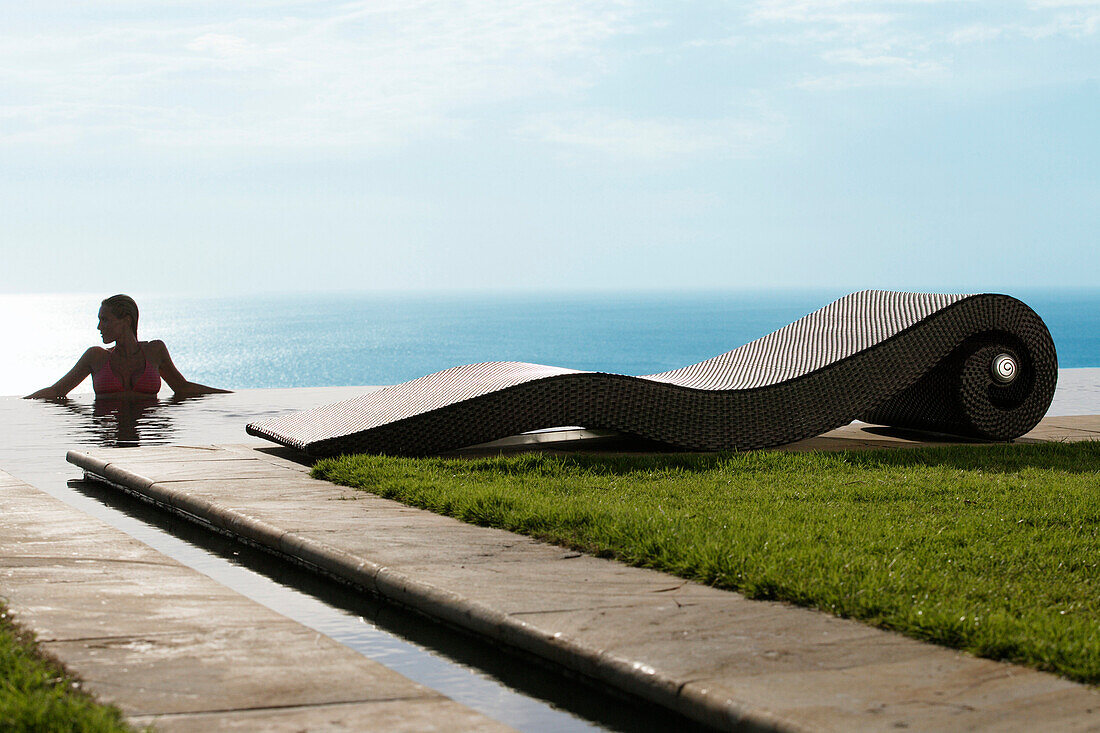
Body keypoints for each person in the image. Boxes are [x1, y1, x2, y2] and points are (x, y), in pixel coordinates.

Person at [25, 294, 231, 400]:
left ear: (126, 320)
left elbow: (183, 388)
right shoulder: (95, 356)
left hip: (147, 434)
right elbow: (57, 391)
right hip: (106, 438)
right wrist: (19, 403)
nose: (99, 327)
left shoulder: (154, 350)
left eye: (104, 320)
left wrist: (230, 397)